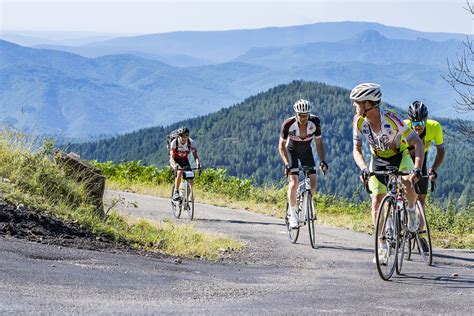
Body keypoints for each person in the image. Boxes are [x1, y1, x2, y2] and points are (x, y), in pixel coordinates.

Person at [350, 83, 425, 263]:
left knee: (407, 183)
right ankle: (382, 245)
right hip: (377, 160)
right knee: (376, 202)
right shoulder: (358, 121)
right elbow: (357, 149)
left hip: (399, 156)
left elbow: (418, 144)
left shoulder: (392, 120)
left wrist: (416, 168)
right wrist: (364, 168)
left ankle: (412, 211)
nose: (354, 105)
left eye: (357, 102)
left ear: (368, 104)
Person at [278, 99, 329, 228]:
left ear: (309, 114)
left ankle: (304, 204)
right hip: (291, 151)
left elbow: (318, 143)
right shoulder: (288, 124)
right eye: (300, 115)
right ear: (296, 114)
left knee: (313, 184)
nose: (303, 118)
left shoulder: (315, 122)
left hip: (307, 152)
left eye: (305, 115)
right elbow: (281, 147)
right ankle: (293, 217)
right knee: (294, 182)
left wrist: (322, 161)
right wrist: (286, 164)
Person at [404, 101, 445, 210]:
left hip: (421, 157)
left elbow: (440, 150)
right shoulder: (404, 126)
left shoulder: (435, 127)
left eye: (421, 123)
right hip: (404, 157)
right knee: (403, 190)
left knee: (421, 197)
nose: (418, 127)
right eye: (415, 124)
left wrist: (433, 169)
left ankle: (421, 227)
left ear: (426, 119)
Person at [169, 127, 201, 201]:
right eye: (182, 136)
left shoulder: (191, 142)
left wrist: (198, 164)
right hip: (175, 160)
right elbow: (171, 157)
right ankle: (176, 192)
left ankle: (187, 197)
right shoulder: (174, 142)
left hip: (184, 160)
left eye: (186, 136)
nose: (184, 138)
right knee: (179, 172)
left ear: (188, 136)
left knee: (191, 178)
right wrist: (175, 166)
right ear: (178, 136)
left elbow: (195, 155)